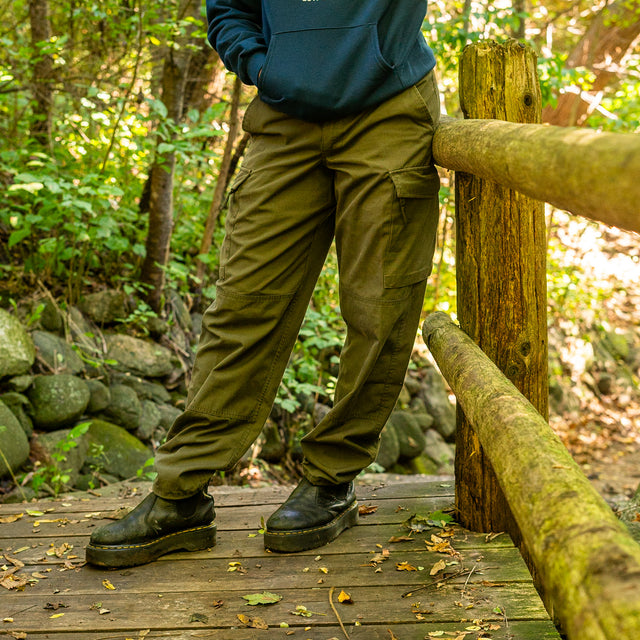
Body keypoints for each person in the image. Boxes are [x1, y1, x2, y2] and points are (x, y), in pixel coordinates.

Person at [86, 0, 441, 568]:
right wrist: (259, 65)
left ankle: (332, 478)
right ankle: (180, 496)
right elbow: (228, 8)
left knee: (380, 308)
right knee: (241, 306)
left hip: (389, 107)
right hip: (281, 115)